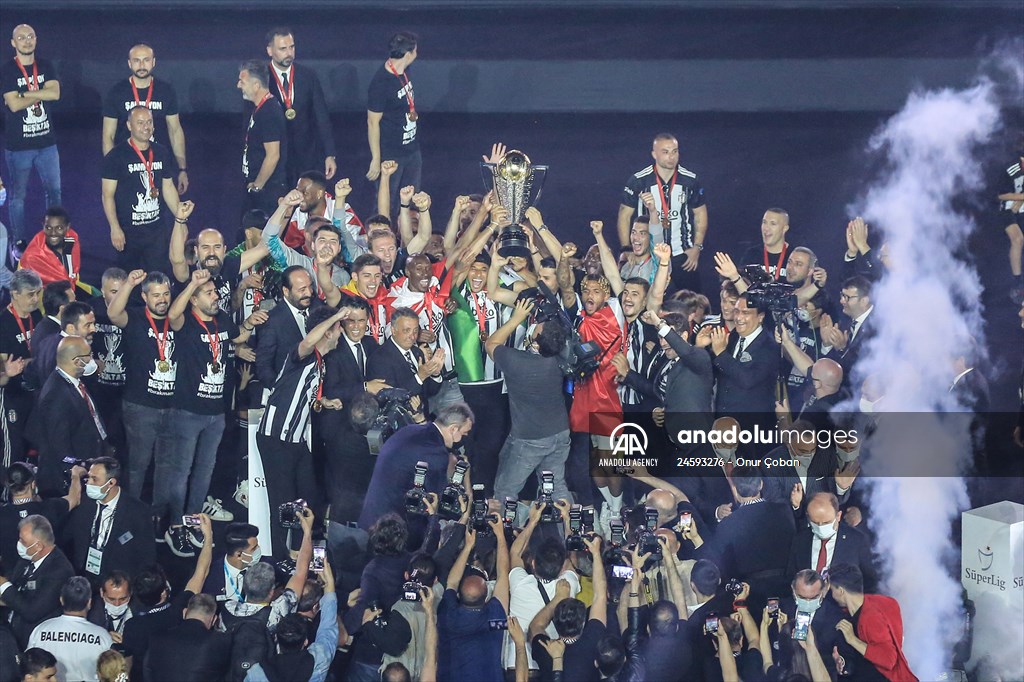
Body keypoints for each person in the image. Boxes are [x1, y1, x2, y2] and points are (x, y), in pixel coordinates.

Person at [162, 269, 265, 555]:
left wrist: (249, 323)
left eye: (214, 291)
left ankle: (194, 521)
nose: (215, 295)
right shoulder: (186, 323)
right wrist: (193, 283)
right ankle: (174, 526)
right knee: (181, 472)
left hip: (216, 412)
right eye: (208, 293)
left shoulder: (221, 320)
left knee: (204, 472)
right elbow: (172, 316)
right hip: (188, 411)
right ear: (194, 300)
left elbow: (237, 336)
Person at [255, 306, 349, 557]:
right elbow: (308, 340)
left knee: (307, 497)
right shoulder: (303, 354)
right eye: (339, 328)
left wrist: (325, 402)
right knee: (282, 502)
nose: (342, 332)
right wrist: (337, 316)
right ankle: (277, 558)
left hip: (295, 440)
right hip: (276, 437)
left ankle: (297, 551)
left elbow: (306, 395)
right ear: (327, 332)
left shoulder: (320, 363)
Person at [486, 299, 572, 503]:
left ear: (535, 341)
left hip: (530, 439)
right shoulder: (561, 357)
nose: (538, 324)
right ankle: (569, 530)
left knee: (505, 491)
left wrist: (516, 319)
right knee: (556, 486)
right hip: (560, 434)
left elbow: (491, 344)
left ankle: (504, 532)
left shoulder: (517, 362)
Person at [104, 269, 177, 500]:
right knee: (138, 466)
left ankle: (157, 517)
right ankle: (130, 512)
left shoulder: (176, 319)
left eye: (165, 294)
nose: (162, 299)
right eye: (156, 295)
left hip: (173, 406)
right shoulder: (135, 317)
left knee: (166, 466)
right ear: (145, 297)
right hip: (140, 406)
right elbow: (113, 314)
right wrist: (128, 284)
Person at [121, 513, 213, 681]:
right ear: (164, 592)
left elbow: (125, 666)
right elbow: (201, 573)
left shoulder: (132, 627)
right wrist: (208, 536)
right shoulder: (178, 612)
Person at [359, 402, 473, 530]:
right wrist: (465, 477)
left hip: (371, 516)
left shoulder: (410, 430)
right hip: (388, 529)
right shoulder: (436, 452)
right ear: (453, 429)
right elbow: (439, 503)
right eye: (464, 433)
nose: (465, 437)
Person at [618, 133, 708, 292]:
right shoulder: (639, 181)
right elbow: (624, 216)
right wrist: (626, 249)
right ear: (654, 154)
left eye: (675, 151)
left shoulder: (690, 180)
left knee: (692, 303)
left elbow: (700, 214)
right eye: (665, 152)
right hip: (648, 255)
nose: (671, 157)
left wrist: (696, 248)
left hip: (682, 254)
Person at [1, 24, 62, 256]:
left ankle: (54, 237)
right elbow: (13, 106)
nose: (26, 41)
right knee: (18, 198)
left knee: (55, 192)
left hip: (47, 143)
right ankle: (18, 242)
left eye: (30, 36)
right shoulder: (8, 70)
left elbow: (55, 94)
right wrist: (39, 92)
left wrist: (24, 93)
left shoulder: (45, 66)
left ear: (36, 39)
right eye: (21, 38)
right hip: (19, 147)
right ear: (13, 43)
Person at [101, 105, 181, 273]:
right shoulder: (116, 156)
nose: (146, 127)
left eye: (149, 122)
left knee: (159, 276)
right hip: (128, 232)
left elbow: (168, 187)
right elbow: (107, 195)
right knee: (130, 280)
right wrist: (114, 228)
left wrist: (181, 219)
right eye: (140, 122)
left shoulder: (161, 152)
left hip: (157, 231)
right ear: (129, 126)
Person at [101, 43, 188, 195]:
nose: (142, 65)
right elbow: (108, 135)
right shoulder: (117, 92)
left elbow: (175, 130)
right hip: (126, 164)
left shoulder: (166, 91)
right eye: (136, 60)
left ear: (154, 62)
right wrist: (112, 169)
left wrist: (182, 168)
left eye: (146, 60)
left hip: (159, 163)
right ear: (129, 63)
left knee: (161, 212)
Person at [27, 336, 109, 496]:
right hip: (66, 484)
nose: (92, 359)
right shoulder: (56, 394)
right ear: (77, 361)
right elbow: (59, 446)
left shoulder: (71, 383)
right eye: (89, 356)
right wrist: (74, 473)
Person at [506, 502, 581, 672]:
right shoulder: (567, 585)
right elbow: (572, 559)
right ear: (562, 567)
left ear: (532, 563)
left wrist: (533, 520)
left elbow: (515, 553)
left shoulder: (520, 584)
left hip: (517, 665)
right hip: (552, 662)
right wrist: (568, 520)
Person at [437, 520, 511, 682]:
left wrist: (468, 547)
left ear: (458, 595)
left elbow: (452, 582)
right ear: (486, 597)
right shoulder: (495, 619)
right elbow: (503, 574)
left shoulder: (447, 615)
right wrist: (500, 535)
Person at [65, 457, 155, 584]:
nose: (89, 483)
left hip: (117, 583)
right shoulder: (83, 503)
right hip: (84, 577)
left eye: (94, 479)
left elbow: (146, 556)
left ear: (111, 483)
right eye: (89, 477)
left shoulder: (138, 512)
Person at [529, 534, 607, 681]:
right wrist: (596, 554)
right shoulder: (592, 639)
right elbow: (600, 596)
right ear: (583, 622)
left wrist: (557, 599)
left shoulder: (547, 649)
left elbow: (536, 625)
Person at [244, 561, 339, 682]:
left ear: (277, 639)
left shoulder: (257, 673)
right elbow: (328, 630)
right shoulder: (319, 660)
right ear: (305, 641)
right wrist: (330, 586)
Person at [265, 28, 337, 184]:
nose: (289, 53)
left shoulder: (308, 76)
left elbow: (321, 116)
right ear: (270, 51)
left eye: (292, 47)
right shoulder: (263, 79)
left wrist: (329, 154)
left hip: (306, 157)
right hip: (275, 158)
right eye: (283, 49)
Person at [830, 563, 919, 682]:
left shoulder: (871, 617)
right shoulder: (848, 613)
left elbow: (889, 660)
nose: (831, 594)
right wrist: (842, 661)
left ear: (841, 591)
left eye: (832, 590)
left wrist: (853, 640)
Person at [708, 293, 778, 434]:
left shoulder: (769, 346)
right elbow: (716, 372)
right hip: (724, 424)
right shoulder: (733, 336)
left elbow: (748, 379)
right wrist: (702, 347)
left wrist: (721, 354)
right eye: (737, 311)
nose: (739, 318)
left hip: (753, 429)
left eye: (746, 313)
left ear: (760, 316)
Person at [0, 515, 75, 648]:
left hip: (33, 645)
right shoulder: (27, 558)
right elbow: (16, 591)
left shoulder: (60, 571)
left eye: (23, 541)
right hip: (10, 634)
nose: (19, 544)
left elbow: (31, 612)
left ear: (39, 546)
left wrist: (3, 585)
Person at [367, 32, 420, 208]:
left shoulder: (405, 72)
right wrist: (376, 158)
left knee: (410, 199)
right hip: (391, 153)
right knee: (386, 202)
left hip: (411, 149)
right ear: (408, 53)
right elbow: (372, 122)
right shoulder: (381, 83)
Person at [0, 462, 83, 576]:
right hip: (45, 578)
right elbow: (75, 498)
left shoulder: (2, 514)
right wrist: (75, 474)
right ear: (33, 484)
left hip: (10, 581)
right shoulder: (49, 508)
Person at [26, 575, 113, 681]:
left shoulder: (41, 630)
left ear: (62, 600)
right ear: (89, 602)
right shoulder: (102, 636)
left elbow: (29, 666)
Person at [253, 264, 320, 389]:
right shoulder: (272, 321)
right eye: (302, 290)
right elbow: (264, 365)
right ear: (286, 291)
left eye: (310, 286)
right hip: (290, 392)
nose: (309, 293)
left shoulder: (318, 307)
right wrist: (279, 390)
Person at [0, 269, 41, 463]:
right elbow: (2, 374)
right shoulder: (3, 323)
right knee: (13, 450)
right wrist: (6, 373)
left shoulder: (38, 318)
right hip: (11, 396)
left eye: (38, 293)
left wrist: (28, 363)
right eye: (30, 294)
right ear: (15, 294)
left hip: (34, 393)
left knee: (32, 447)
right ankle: (9, 492)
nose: (35, 299)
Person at [365, 307, 445, 407]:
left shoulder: (417, 353)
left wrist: (435, 373)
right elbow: (389, 399)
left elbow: (429, 393)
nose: (412, 337)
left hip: (422, 418)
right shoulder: (379, 359)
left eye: (415, 331)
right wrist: (419, 377)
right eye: (407, 331)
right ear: (393, 330)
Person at [144, 592, 232, 682]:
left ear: (184, 612)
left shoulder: (157, 638)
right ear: (214, 620)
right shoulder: (220, 642)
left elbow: (147, 674)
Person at [238, 58, 288, 214]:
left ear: (256, 85)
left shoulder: (269, 112)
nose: (238, 85)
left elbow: (273, 155)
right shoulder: (261, 108)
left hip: (267, 193)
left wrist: (258, 187)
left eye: (242, 82)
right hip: (259, 188)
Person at [23, 299, 95, 398]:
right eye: (88, 325)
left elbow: (31, 374)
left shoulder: (47, 342)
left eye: (93, 324)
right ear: (71, 328)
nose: (93, 329)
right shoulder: (72, 351)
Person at [17, 206, 88, 292]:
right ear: (43, 226)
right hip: (44, 297)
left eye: (59, 228)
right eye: (48, 228)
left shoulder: (72, 239)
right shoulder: (32, 256)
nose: (53, 233)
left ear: (67, 227)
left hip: (72, 289)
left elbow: (74, 273)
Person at [999, 150, 1024, 302]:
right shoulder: (1012, 167)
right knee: (1018, 240)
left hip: (1021, 206)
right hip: (1007, 208)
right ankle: (1017, 284)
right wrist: (1020, 197)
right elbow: (1000, 195)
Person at [85, 571, 135, 644]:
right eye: (111, 599)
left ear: (131, 593)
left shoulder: (140, 611)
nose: (117, 604)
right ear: (102, 593)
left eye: (123, 599)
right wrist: (103, 636)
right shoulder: (90, 611)